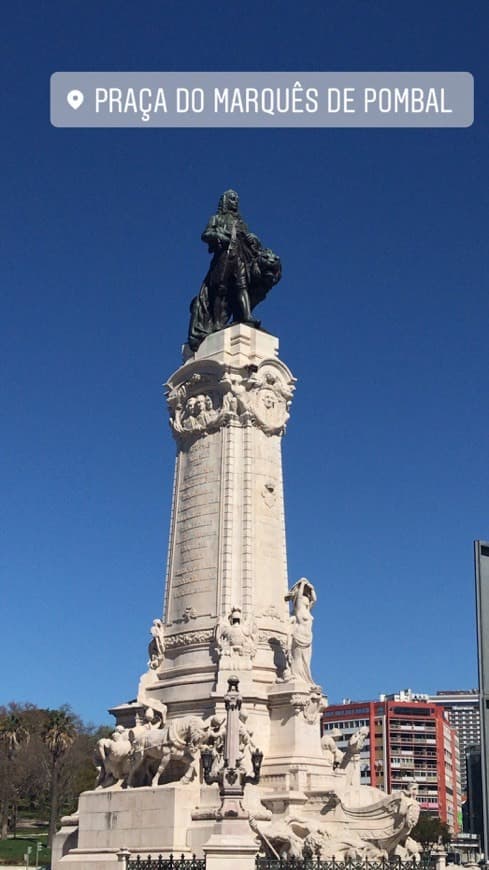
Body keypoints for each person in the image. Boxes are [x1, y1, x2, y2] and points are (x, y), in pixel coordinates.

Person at [188, 190, 281, 351]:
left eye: (236, 199)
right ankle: (217, 322)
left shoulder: (241, 223)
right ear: (225, 201)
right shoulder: (217, 218)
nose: (235, 201)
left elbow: (248, 241)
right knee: (220, 289)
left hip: (239, 258)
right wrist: (219, 235)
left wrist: (254, 239)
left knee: (242, 285)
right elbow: (206, 234)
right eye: (232, 199)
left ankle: (246, 316)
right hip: (224, 257)